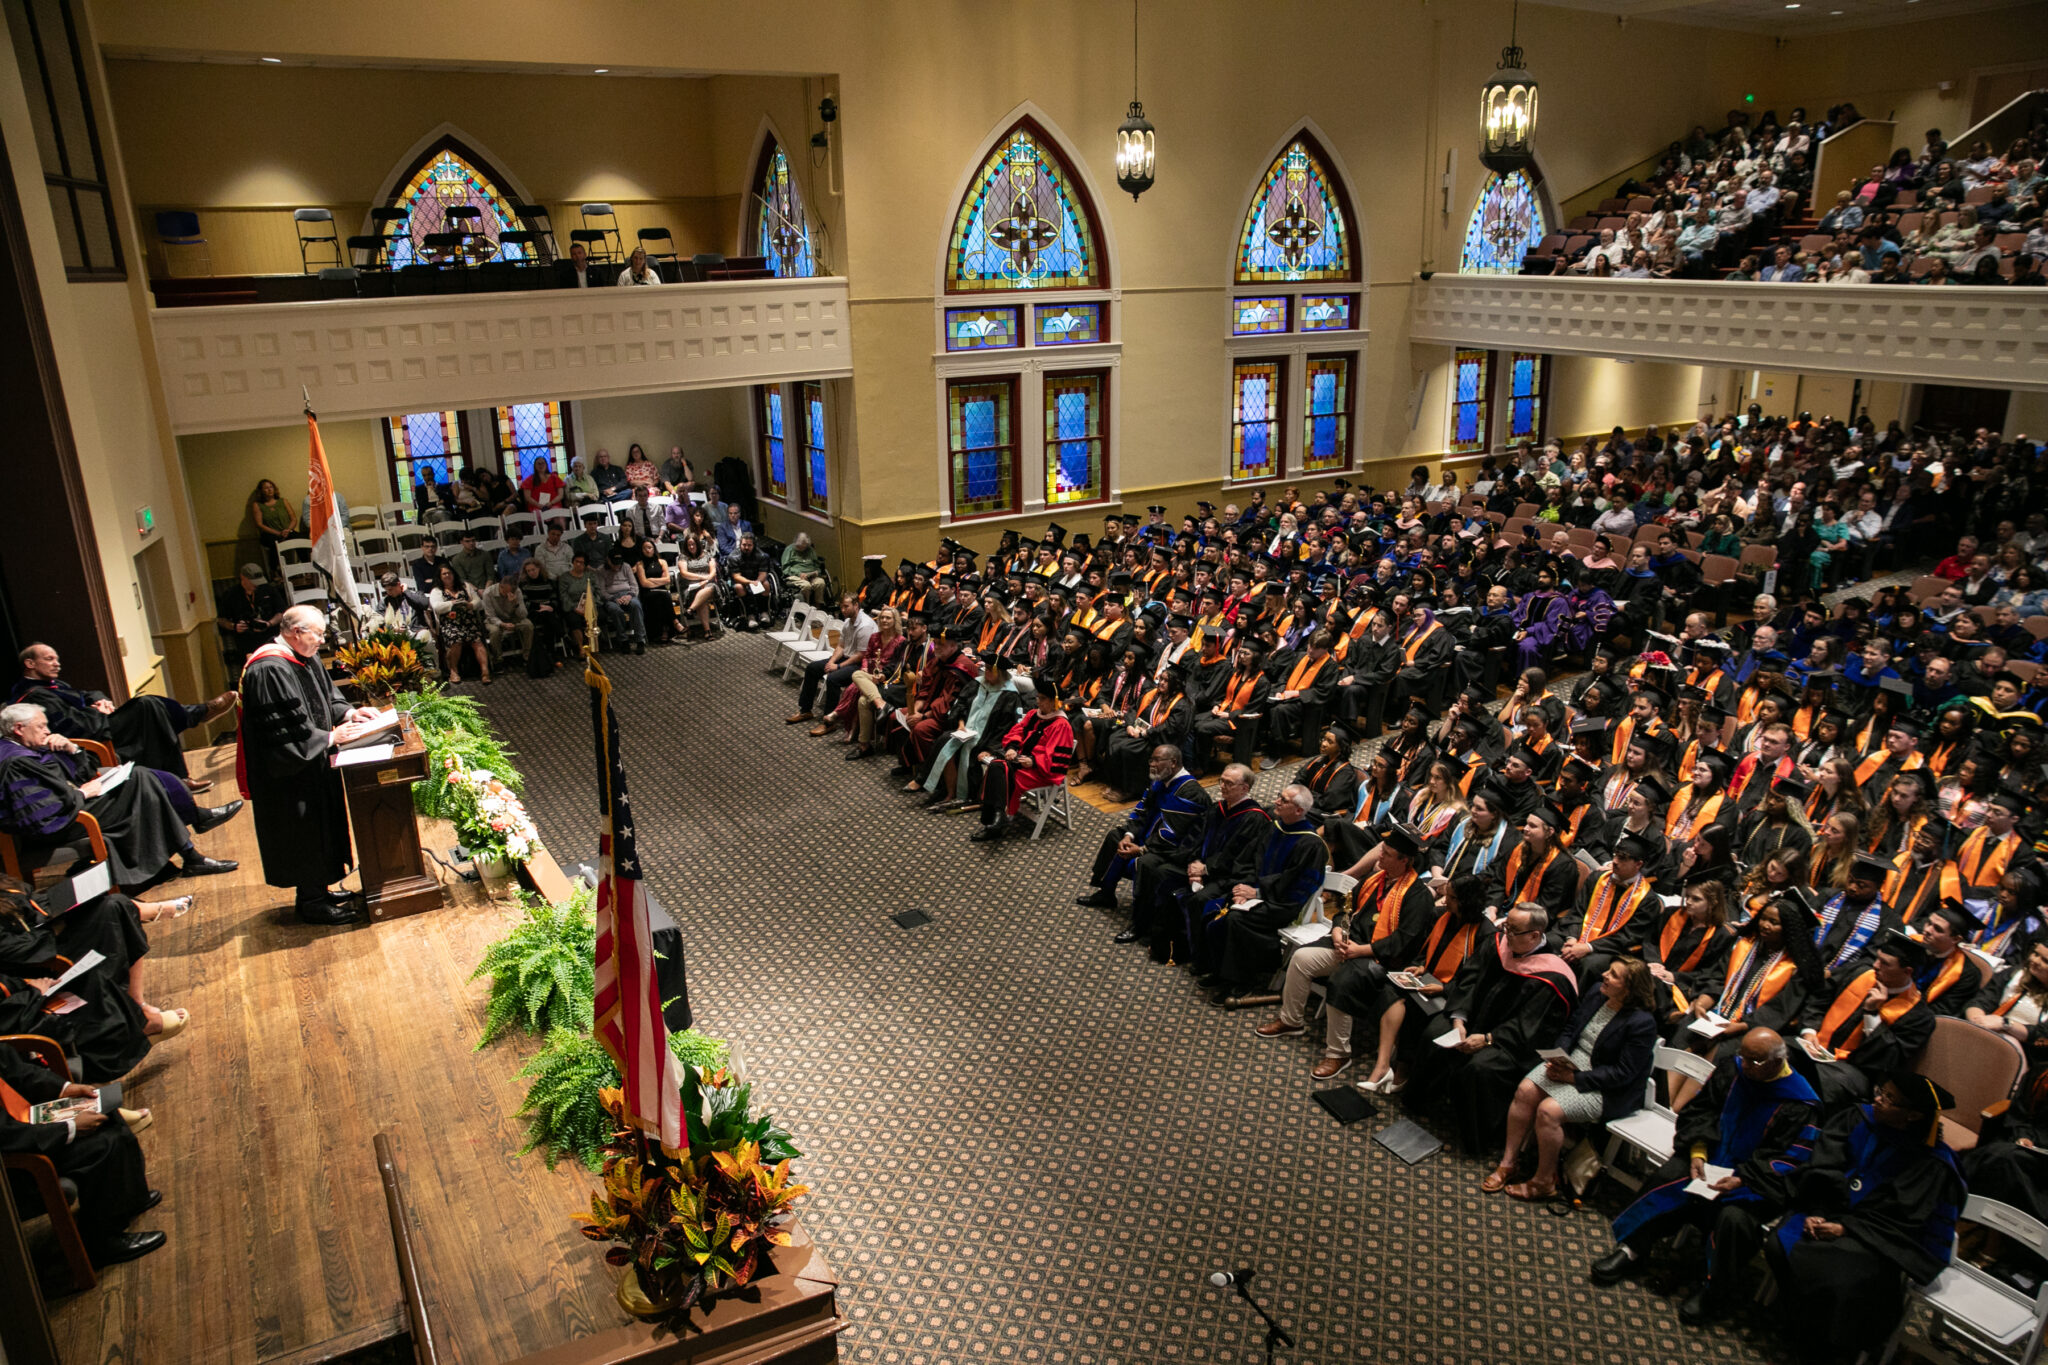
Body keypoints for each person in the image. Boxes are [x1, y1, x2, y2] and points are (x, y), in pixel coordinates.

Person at [1591, 1029, 1820, 1324]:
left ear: (1777, 1062)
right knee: (1672, 1176)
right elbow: (1701, 1110)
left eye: (1755, 1061)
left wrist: (1743, 1178)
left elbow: (1789, 1158)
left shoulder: (1801, 1103)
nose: (1746, 1065)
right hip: (1710, 1155)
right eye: (1744, 1056)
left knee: (1735, 1219)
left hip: (1755, 1181)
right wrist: (1698, 1150)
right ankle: (1633, 1249)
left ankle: (1714, 1289)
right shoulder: (1734, 1070)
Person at [1758, 1073, 1963, 1364]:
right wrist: (1818, 1210)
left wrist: (1846, 1227)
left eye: (1889, 1099)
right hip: (1827, 1207)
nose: (1877, 1099)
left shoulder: (1930, 1162)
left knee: (1840, 1277)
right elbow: (1823, 1164)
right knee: (1779, 1245)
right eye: (1881, 1091)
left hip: (1874, 1235)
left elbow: (1904, 1217)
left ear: (1913, 1115)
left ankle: (1828, 1350)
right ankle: (1797, 1324)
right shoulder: (1856, 1119)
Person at [235, 606, 383, 925]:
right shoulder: (269, 669)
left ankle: (321, 890)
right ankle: (312, 902)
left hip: (313, 766)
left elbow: (326, 696)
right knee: (302, 833)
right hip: (288, 774)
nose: (322, 640)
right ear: (295, 632)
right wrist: (330, 737)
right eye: (316, 634)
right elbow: (286, 731)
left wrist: (347, 714)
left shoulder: (304, 655)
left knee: (320, 828)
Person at [1255, 823, 1436, 1079]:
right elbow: (1346, 910)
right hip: (1347, 946)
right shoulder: (1374, 879)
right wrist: (1338, 931)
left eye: (1385, 853)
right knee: (1301, 958)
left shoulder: (1419, 896)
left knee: (1342, 982)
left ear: (1404, 860)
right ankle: (1291, 1020)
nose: (1379, 856)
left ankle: (1338, 1053)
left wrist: (1360, 950)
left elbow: (1404, 941)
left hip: (1379, 959)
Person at [0, 703, 238, 888]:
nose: (48, 731)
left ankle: (192, 852)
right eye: (41, 726)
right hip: (60, 825)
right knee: (141, 783)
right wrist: (82, 794)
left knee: (140, 778)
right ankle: (193, 838)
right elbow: (39, 816)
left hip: (71, 808)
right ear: (19, 729)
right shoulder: (15, 762)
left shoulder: (27, 749)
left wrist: (72, 750)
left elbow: (82, 773)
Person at [1406, 903, 1579, 1157]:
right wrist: (1459, 1019)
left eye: (1514, 931)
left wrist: (1488, 1038)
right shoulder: (1497, 944)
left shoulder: (1554, 976)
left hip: (1511, 1042)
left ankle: (1475, 1139)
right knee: (1435, 1032)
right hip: (1472, 1021)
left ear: (1534, 935)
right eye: (1507, 925)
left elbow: (1530, 1026)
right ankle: (1421, 1104)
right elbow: (1469, 980)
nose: (1506, 933)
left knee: (1481, 1068)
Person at [1488, 958, 1658, 1201]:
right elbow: (1570, 1029)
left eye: (1613, 974)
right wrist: (1559, 1057)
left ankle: (1543, 1181)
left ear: (1629, 989)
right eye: (1608, 969)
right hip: (1572, 1063)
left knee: (1548, 1111)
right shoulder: (1597, 994)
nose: (1604, 974)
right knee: (1525, 1091)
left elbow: (1623, 1073)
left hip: (1604, 1086)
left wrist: (1574, 1078)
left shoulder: (1642, 1023)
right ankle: (1508, 1162)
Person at [0, 1042, 164, 1265]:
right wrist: (71, 1128)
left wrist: (65, 1088)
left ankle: (129, 1199)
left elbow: (18, 1070)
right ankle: (104, 1242)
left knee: (105, 1109)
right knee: (103, 1144)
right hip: (16, 1163)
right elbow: (6, 1137)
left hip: (25, 1122)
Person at [13, 643, 236, 784]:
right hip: (91, 739)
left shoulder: (52, 684)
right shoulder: (33, 695)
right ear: (30, 663)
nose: (57, 664)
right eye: (49, 659)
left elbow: (85, 694)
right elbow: (75, 726)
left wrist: (99, 699)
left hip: (98, 723)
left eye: (57, 659)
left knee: (153, 710)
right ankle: (194, 717)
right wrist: (99, 712)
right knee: (147, 705)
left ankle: (180, 774)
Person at [971, 680, 1076, 842]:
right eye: (1038, 698)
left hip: (1042, 771)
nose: (1037, 701)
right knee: (997, 766)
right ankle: (998, 818)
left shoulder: (1062, 725)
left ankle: (995, 821)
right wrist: (1012, 747)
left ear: (1052, 701)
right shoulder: (1034, 715)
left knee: (1002, 771)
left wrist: (1033, 761)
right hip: (1022, 762)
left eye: (1041, 698)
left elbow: (1055, 757)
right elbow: (1017, 732)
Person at [214, 562, 287, 677]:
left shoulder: (269, 589)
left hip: (270, 636)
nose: (256, 586)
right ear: (243, 578)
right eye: (253, 582)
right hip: (246, 640)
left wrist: (269, 623)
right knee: (254, 674)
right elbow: (221, 620)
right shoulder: (231, 594)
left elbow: (282, 613)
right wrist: (234, 626)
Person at [430, 564, 492, 683]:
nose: (447, 575)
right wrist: (452, 604)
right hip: (450, 623)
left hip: (469, 621)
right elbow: (436, 607)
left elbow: (478, 602)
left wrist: (470, 605)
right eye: (444, 574)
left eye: (449, 573)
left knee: (477, 641)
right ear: (440, 576)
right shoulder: (437, 591)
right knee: (456, 640)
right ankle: (454, 671)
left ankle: (485, 672)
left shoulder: (465, 586)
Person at [368, 572, 435, 650]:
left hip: (416, 631)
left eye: (390, 589)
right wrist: (392, 628)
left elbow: (425, 604)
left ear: (398, 584)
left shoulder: (414, 594)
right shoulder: (384, 602)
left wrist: (406, 592)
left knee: (424, 636)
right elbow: (379, 620)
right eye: (386, 590)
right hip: (396, 635)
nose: (389, 593)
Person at [247, 477, 299, 573]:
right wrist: (277, 533)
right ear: (261, 491)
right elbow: (259, 524)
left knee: (300, 539)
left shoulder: (283, 501)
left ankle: (305, 568)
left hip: (287, 531)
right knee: (274, 544)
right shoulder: (258, 505)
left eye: (271, 487)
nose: (269, 489)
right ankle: (274, 572)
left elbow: (293, 519)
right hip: (270, 534)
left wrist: (288, 530)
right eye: (266, 488)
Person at [483, 575, 534, 667]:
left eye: (510, 592)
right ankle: (498, 659)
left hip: (512, 617)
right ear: (501, 587)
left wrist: (515, 603)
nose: (507, 595)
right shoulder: (488, 593)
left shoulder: (517, 591)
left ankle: (527, 656)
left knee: (528, 625)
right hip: (495, 619)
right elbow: (490, 616)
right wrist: (502, 624)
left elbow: (523, 615)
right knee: (495, 631)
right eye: (505, 592)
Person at [781, 533, 830, 607]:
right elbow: (786, 567)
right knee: (806, 586)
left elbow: (817, 564)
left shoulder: (810, 550)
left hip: (811, 574)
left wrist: (817, 572)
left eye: (804, 547)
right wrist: (799, 574)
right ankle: (806, 606)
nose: (802, 549)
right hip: (795, 575)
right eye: (799, 547)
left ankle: (818, 605)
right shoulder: (789, 550)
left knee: (820, 583)